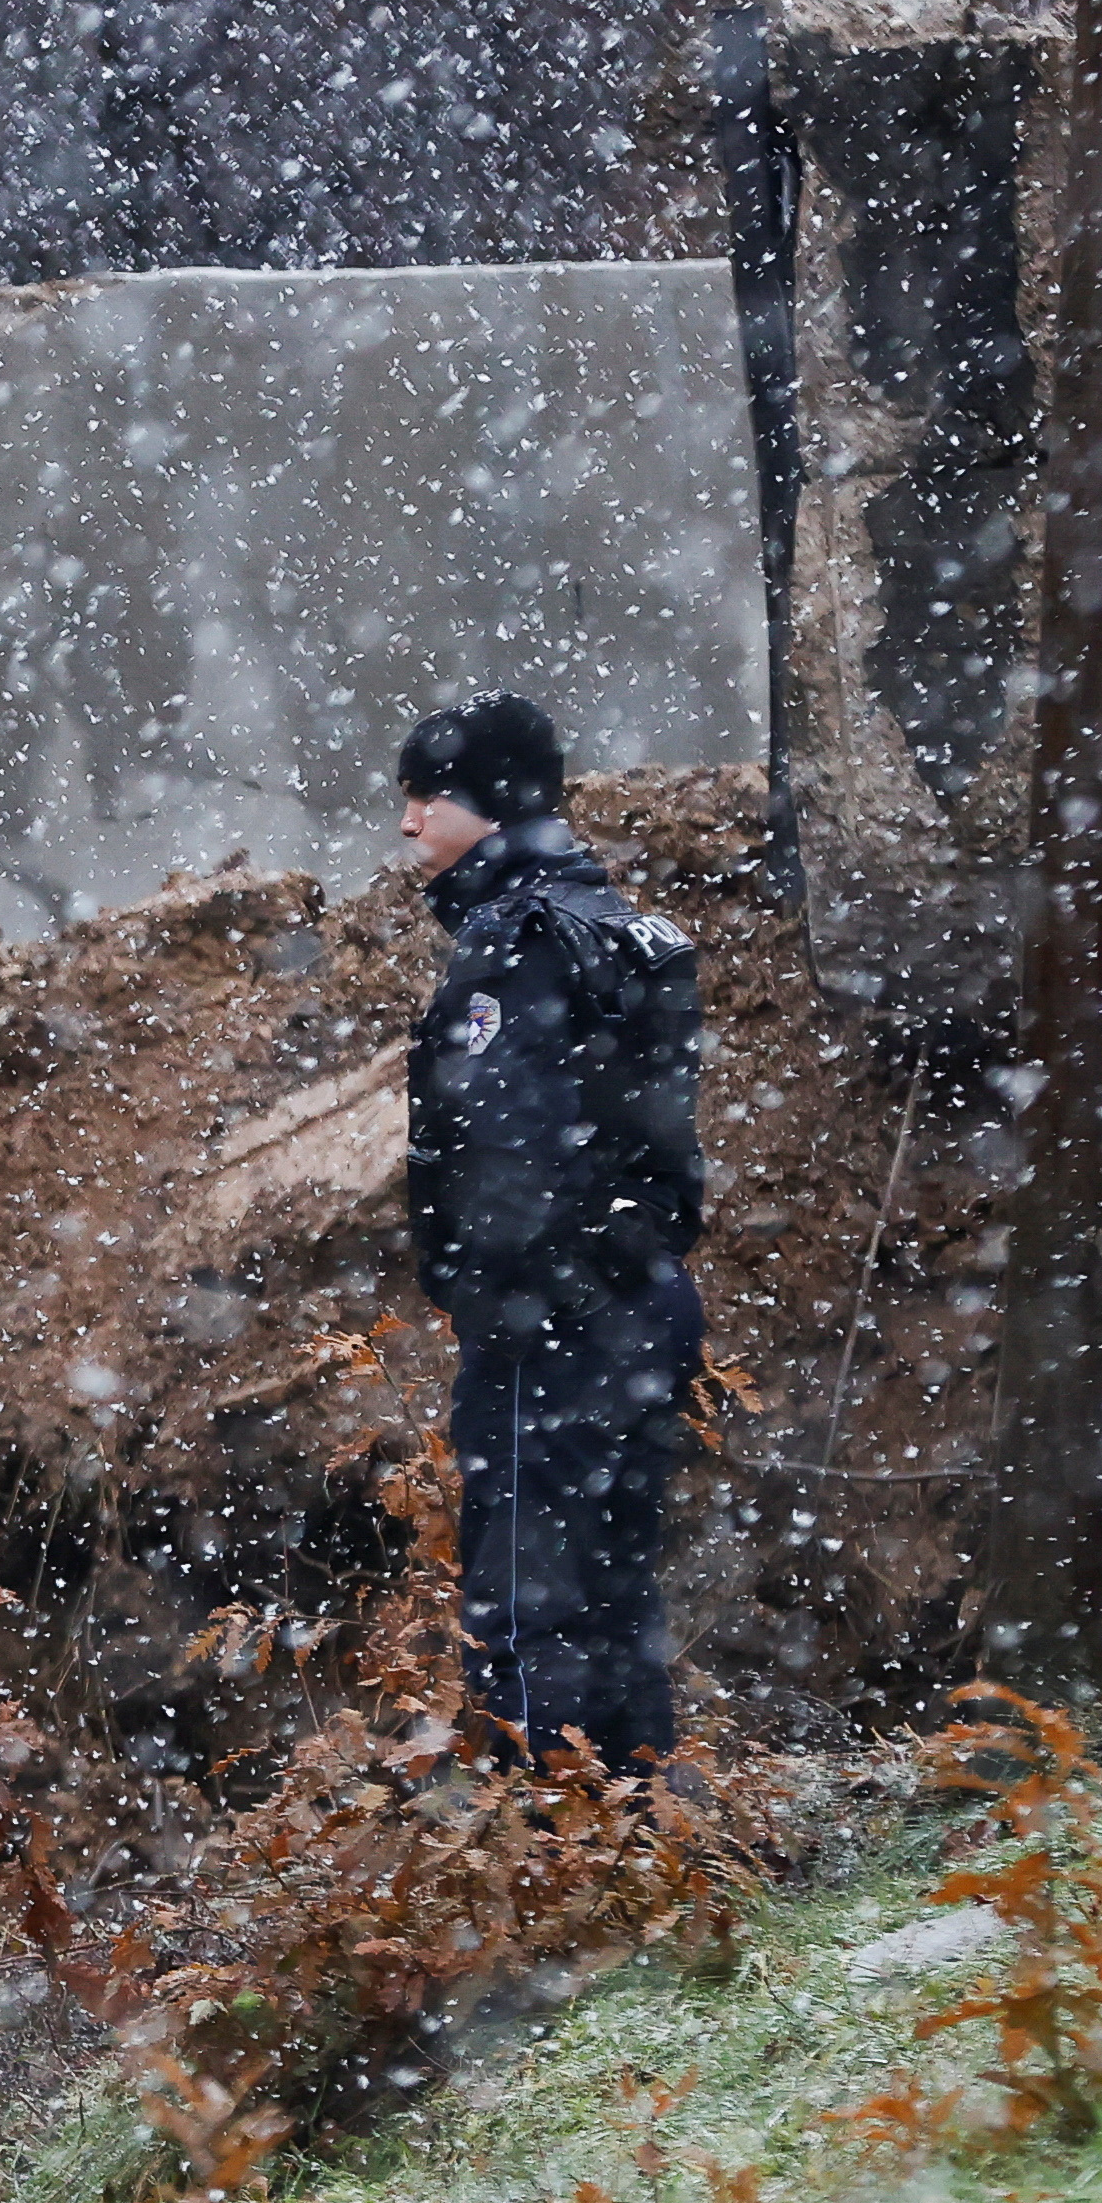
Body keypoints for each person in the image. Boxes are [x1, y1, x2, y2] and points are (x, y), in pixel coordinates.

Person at [395, 695, 706, 1767]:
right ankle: (638, 1826)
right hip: (638, 1300)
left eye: (426, 797)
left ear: (488, 803)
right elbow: (653, 1144)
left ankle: (543, 1835)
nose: (407, 823)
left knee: (528, 1603)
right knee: (616, 1591)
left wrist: (496, 1294)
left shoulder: (516, 942)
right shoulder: (616, 925)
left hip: (558, 1324)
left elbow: (502, 1146)